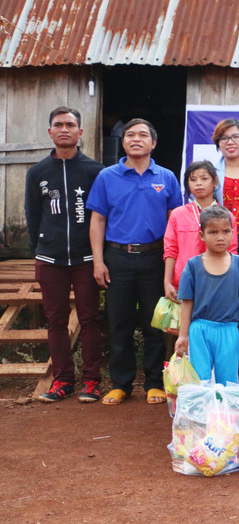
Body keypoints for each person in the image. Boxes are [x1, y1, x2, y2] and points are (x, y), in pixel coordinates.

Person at [87, 118, 182, 405]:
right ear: (123, 142)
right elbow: (97, 220)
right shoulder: (107, 177)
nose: (136, 139)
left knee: (156, 323)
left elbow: (174, 222)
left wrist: (172, 265)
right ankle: (121, 383)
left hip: (155, 257)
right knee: (120, 322)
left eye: (143, 135)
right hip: (118, 258)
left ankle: (153, 382)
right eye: (130, 134)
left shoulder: (166, 177)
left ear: (153, 143)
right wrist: (98, 262)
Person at [26, 107, 104, 403]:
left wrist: (99, 257)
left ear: (80, 132)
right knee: (55, 321)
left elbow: (101, 216)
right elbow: (33, 217)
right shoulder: (37, 173)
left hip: (85, 260)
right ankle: (62, 380)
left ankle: (92, 381)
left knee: (89, 319)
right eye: (58, 124)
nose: (64, 129)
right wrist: (40, 251)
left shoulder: (95, 171)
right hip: (50, 260)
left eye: (70, 124)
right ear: (50, 132)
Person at [174, 205, 239, 384]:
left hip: (229, 330)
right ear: (202, 235)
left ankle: (225, 413)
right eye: (213, 232)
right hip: (199, 331)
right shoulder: (193, 265)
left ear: (232, 233)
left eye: (226, 231)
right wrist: (183, 335)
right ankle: (203, 413)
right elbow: (187, 303)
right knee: (200, 380)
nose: (220, 237)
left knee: (227, 382)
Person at [164, 161, 238, 302]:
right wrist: (167, 282)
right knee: (183, 324)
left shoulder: (226, 215)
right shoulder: (177, 215)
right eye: (193, 179)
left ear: (215, 181)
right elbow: (170, 250)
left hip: (218, 283)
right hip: (183, 283)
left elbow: (232, 251)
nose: (198, 183)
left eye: (204, 178)